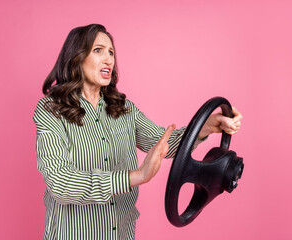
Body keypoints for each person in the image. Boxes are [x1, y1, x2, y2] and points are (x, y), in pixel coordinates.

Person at [33, 24, 242, 240]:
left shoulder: (124, 109)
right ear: (76, 56)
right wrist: (136, 177)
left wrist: (206, 126)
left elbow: (163, 145)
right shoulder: (51, 111)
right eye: (98, 50)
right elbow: (60, 182)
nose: (109, 60)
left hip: (122, 234)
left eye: (111, 52)